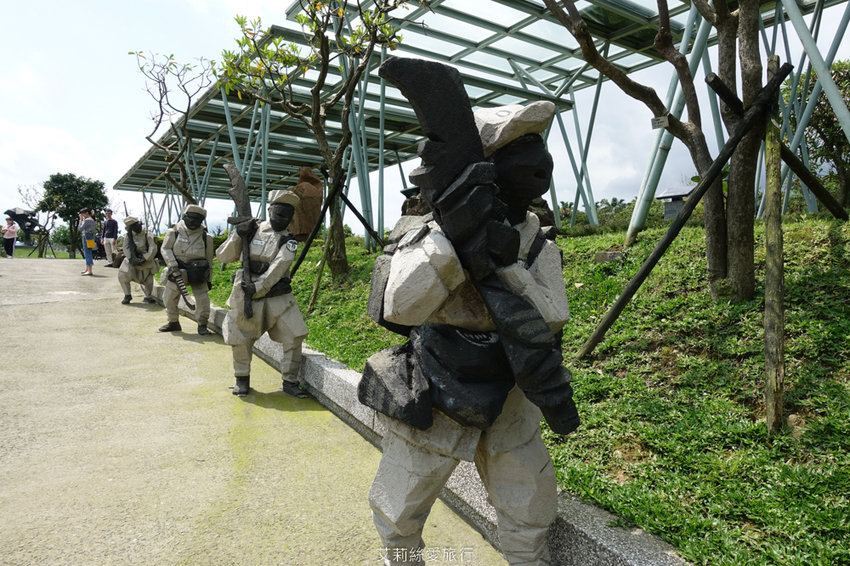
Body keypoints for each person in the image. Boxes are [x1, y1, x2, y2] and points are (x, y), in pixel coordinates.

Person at [360, 94, 578, 565]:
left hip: (512, 387)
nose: (533, 163)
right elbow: (401, 304)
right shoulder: (427, 231)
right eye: (511, 152)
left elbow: (554, 315)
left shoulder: (539, 244)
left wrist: (510, 268)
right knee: (402, 500)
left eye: (536, 147)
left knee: (528, 499)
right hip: (436, 385)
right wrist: (453, 245)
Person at [215, 189, 309, 398]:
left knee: (295, 334)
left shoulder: (289, 241)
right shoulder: (251, 229)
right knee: (241, 336)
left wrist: (259, 287)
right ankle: (241, 378)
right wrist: (238, 235)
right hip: (245, 292)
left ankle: (289, 381)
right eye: (278, 214)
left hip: (278, 295)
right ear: (270, 210)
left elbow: (279, 266)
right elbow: (223, 256)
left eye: (287, 217)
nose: (283, 220)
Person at [159, 204, 213, 335]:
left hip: (198, 271)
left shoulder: (206, 237)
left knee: (203, 300)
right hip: (177, 268)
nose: (194, 222)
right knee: (169, 296)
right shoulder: (174, 232)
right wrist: (172, 264)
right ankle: (173, 322)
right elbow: (165, 248)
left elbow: (209, 260)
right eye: (192, 218)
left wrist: (209, 277)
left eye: (198, 219)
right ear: (185, 216)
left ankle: (202, 324)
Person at [117, 217, 158, 305]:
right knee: (122, 274)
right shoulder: (128, 235)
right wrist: (131, 258)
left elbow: (153, 248)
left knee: (148, 279)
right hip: (132, 258)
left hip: (146, 258)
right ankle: (127, 294)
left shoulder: (148, 234)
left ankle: (148, 296)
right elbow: (126, 247)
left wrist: (145, 258)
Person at [78, 208, 96, 276]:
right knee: (88, 252)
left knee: (87, 252)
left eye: (83, 214)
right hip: (90, 235)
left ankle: (89, 270)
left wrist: (81, 220)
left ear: (87, 213)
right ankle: (87, 268)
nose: (82, 215)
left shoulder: (88, 220)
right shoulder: (92, 219)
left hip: (86, 236)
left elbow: (80, 228)